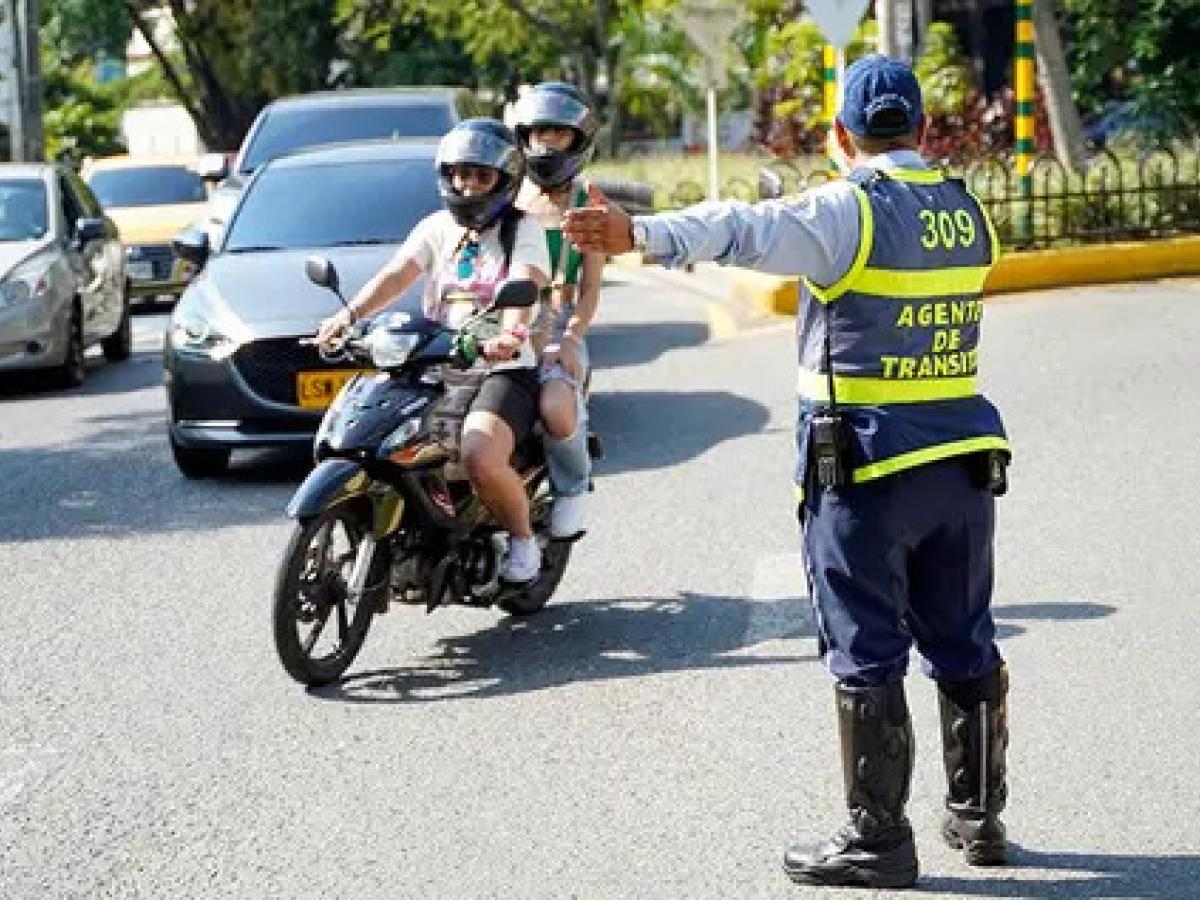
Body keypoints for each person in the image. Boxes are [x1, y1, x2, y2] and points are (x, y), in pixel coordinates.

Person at [564, 55, 1012, 890]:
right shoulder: (966, 208)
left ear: (843, 136)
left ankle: (879, 841)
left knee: (866, 650)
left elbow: (743, 226)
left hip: (868, 472)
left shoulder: (847, 211)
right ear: (922, 129)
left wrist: (641, 236)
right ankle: (979, 816)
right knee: (962, 635)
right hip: (962, 467)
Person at [316, 118, 551, 583]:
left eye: (481, 176)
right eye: (460, 174)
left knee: (480, 456)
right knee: (382, 438)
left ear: (504, 181)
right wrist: (348, 317)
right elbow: (398, 274)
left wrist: (509, 333)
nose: (468, 185)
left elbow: (526, 281)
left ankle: (522, 540)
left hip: (500, 369)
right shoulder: (436, 227)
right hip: (434, 359)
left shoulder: (524, 230)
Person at [512, 82, 604, 540]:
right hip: (500, 330)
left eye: (558, 133)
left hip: (555, 331)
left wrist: (570, 337)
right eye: (538, 132)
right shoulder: (503, 197)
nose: (546, 143)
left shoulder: (590, 203)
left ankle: (572, 486)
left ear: (578, 139)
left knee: (555, 408)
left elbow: (589, 288)